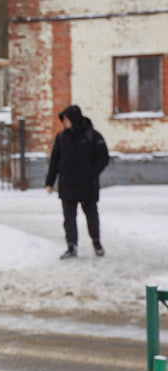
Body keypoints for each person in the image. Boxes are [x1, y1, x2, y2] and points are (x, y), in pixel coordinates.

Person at [45, 104, 109, 258]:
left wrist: (92, 174)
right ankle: (71, 246)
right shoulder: (61, 137)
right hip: (67, 184)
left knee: (91, 215)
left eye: (66, 119)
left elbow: (103, 157)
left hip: (88, 185)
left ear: (74, 119)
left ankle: (96, 241)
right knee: (69, 218)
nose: (64, 122)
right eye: (64, 120)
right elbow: (55, 161)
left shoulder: (92, 136)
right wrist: (50, 182)